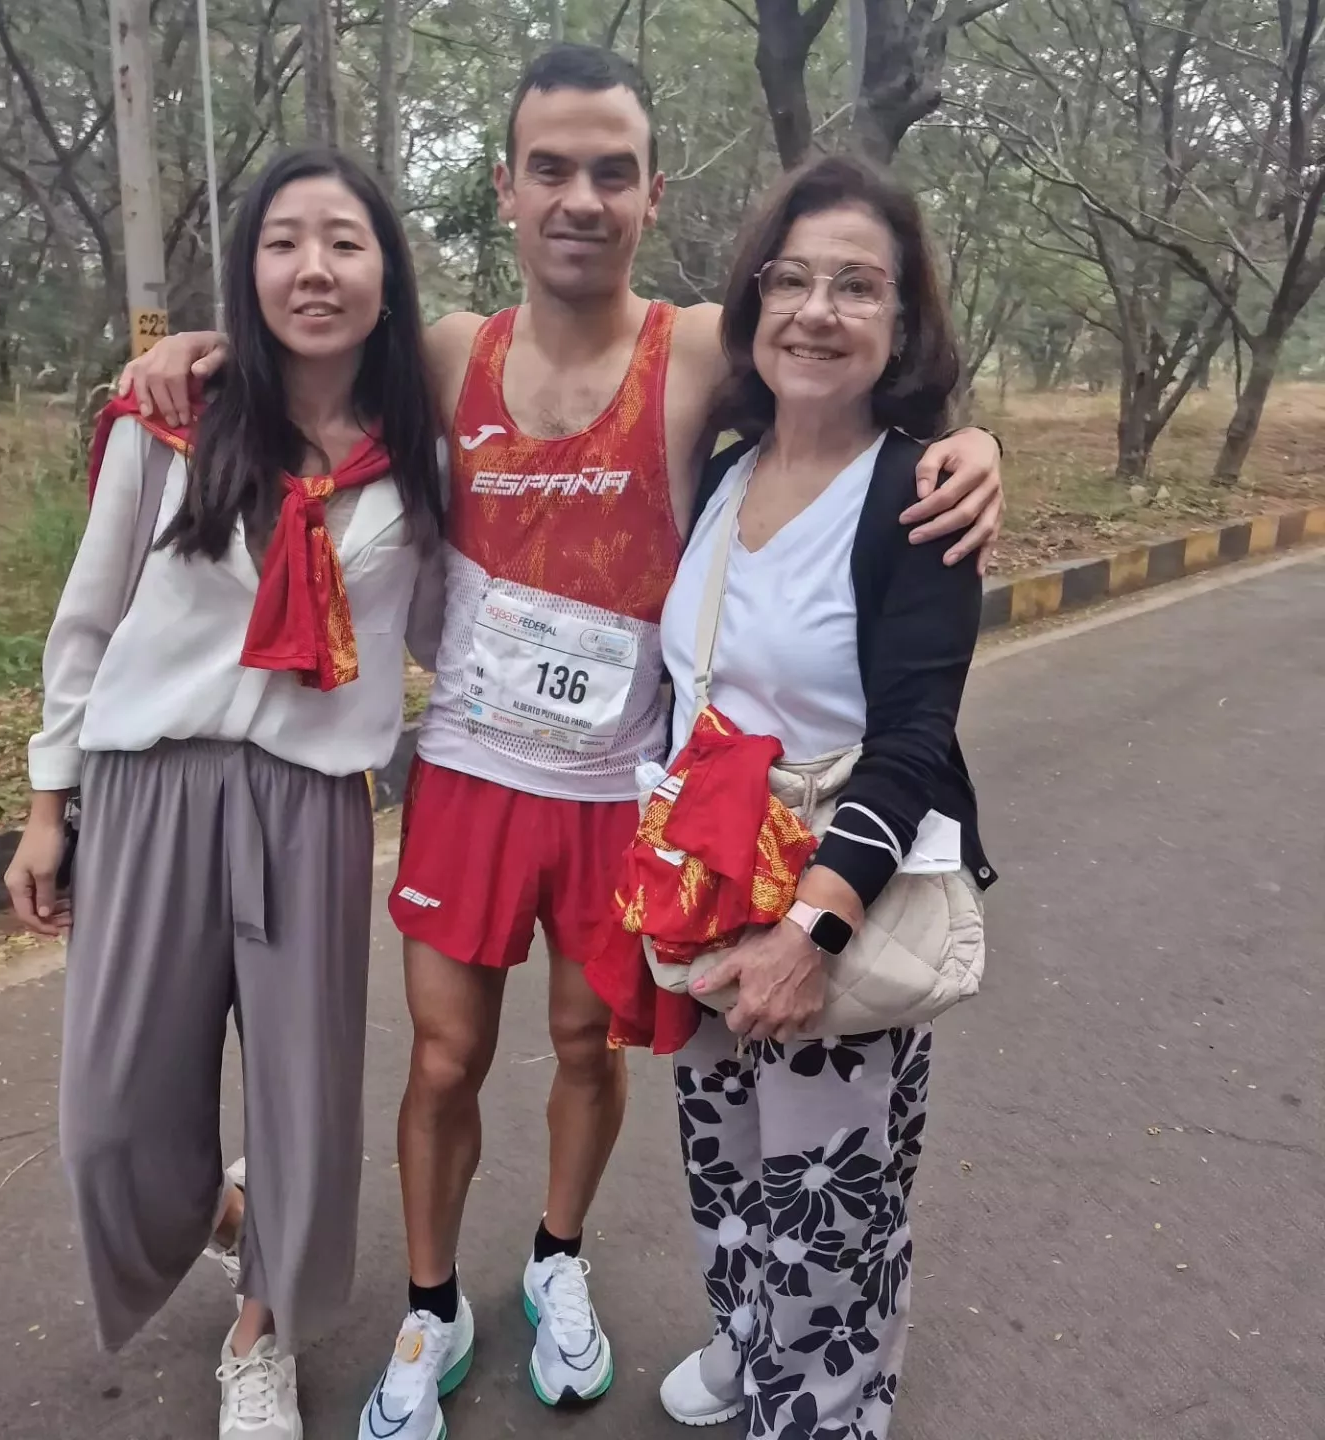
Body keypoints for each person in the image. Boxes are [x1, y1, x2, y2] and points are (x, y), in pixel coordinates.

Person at [120, 44, 1006, 1440]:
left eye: (611, 172)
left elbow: (853, 381)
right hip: (470, 779)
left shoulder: (705, 347)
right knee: (440, 1061)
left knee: (594, 1052)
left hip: (626, 797)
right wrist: (190, 347)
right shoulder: (441, 351)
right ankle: (432, 1307)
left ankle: (556, 1263)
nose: (580, 197)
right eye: (551, 169)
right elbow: (297, 351)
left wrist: (970, 444)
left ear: (652, 195)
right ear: (507, 188)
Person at [3, 148, 443, 1440]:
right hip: (148, 794)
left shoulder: (419, 453)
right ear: (248, 271)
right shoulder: (169, 422)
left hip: (310, 807)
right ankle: (224, 1216)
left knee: (305, 1098)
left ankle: (262, 1332)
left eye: (346, 243)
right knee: (109, 1125)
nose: (315, 268)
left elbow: (450, 629)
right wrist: (50, 801)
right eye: (285, 242)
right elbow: (87, 624)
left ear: (386, 274)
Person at [625, 152, 993, 1438]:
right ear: (755, 299)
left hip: (834, 902)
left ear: (900, 326)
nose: (818, 311)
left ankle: (826, 1407)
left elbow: (913, 745)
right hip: (715, 898)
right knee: (726, 1159)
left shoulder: (919, 495)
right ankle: (744, 1343)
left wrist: (809, 936)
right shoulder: (724, 468)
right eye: (794, 280)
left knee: (831, 1200)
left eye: (858, 286)